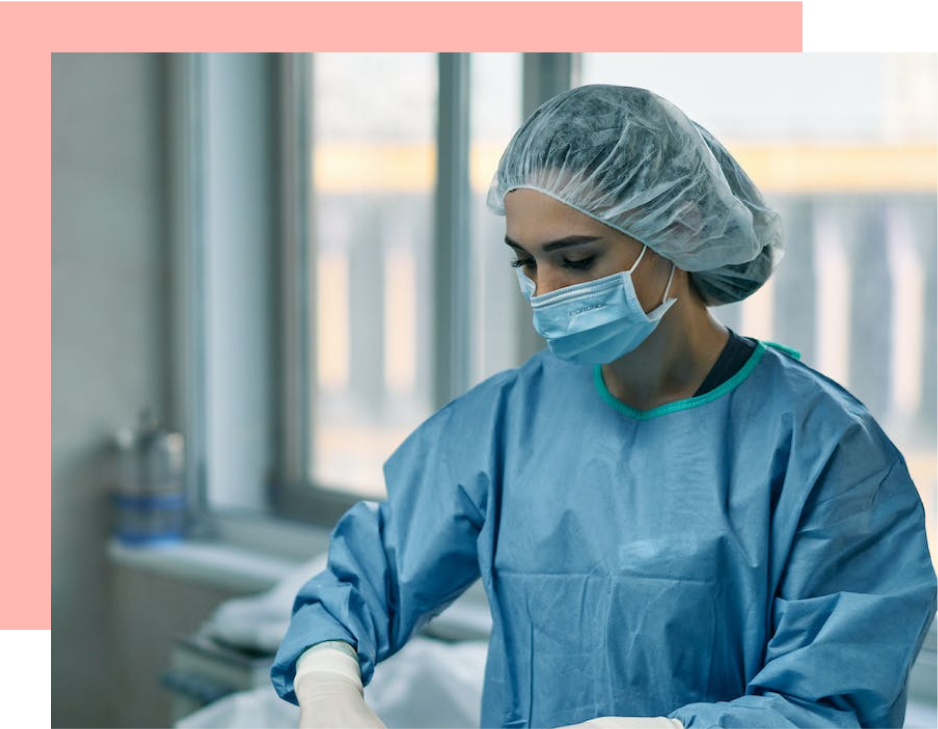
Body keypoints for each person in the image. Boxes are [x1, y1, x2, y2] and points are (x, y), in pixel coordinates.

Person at [270, 84, 938, 729]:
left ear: (682, 227)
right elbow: (367, 572)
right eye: (527, 264)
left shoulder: (824, 452)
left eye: (577, 259)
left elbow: (836, 704)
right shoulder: (512, 422)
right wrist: (329, 682)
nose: (546, 293)